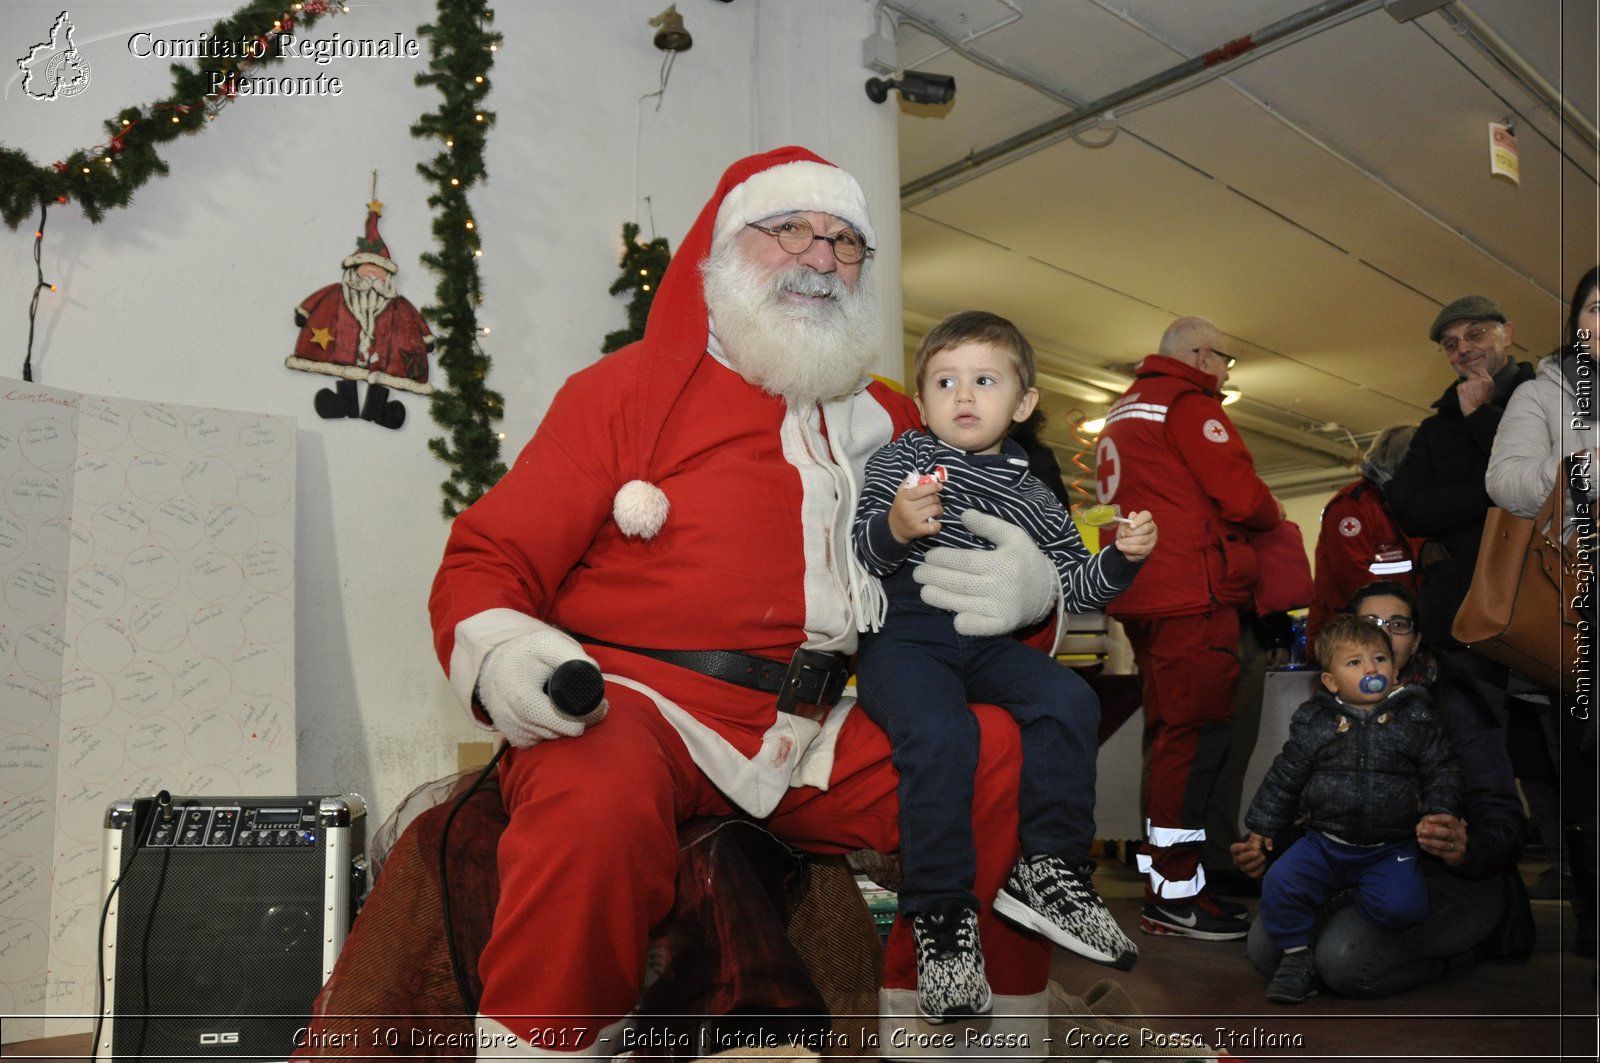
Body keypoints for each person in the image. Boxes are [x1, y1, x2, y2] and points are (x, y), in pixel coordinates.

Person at [429, 146, 1072, 1056]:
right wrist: (509, 657)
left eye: (847, 242)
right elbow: (489, 558)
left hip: (820, 723)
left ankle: (960, 1040)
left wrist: (1029, 590)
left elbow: (997, 541)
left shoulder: (894, 419)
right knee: (591, 789)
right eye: (792, 230)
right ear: (727, 249)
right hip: (645, 706)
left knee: (999, 755)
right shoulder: (619, 395)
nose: (822, 258)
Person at [851, 310, 1156, 1018]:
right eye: (945, 381)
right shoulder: (901, 458)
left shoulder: (1032, 491)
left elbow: (1078, 586)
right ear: (921, 401)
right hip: (907, 632)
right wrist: (896, 526)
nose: (964, 394)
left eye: (984, 380)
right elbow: (864, 553)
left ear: (1021, 404)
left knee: (1069, 700)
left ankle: (1049, 868)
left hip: (986, 640)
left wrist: (1124, 558)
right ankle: (942, 921)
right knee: (942, 733)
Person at [1233, 580, 1530, 998]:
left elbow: (1502, 814)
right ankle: (1341, 923)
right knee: (1267, 950)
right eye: (1369, 622)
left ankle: (1455, 954)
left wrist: (1465, 846)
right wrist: (1264, 842)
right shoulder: (1322, 714)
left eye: (1398, 623)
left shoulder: (1445, 705)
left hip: (1441, 876)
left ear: (1417, 641)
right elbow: (1296, 787)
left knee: (1343, 961)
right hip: (1345, 865)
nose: (1383, 632)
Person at [1094, 315, 1284, 939]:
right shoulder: (1185, 402)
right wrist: (1271, 506)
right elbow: (1241, 497)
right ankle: (1175, 897)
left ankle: (1166, 884)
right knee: (1195, 742)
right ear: (1201, 355)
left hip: (1143, 592)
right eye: (1225, 360)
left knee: (1170, 739)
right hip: (1191, 594)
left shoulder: (1123, 410)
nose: (1227, 373)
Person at [1240, 614, 1463, 1003]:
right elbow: (1285, 777)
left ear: (1395, 671)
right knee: (1279, 884)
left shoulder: (1416, 716)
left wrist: (1440, 809)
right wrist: (1262, 826)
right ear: (1329, 680)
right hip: (1324, 841)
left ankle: (1352, 899)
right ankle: (1298, 956)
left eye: (1379, 659)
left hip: (1389, 847)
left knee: (1403, 907)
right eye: (1355, 662)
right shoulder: (1315, 722)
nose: (1370, 669)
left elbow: (1441, 769)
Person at [1485, 265, 1599, 955]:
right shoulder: (1545, 392)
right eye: (1595, 306)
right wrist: (1583, 467)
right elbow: (1503, 481)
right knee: (1589, 783)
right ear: (1577, 323)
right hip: (1578, 610)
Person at [1387, 295, 1534, 656]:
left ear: (1507, 334)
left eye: (1476, 334)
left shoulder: (1551, 402)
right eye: (1451, 345)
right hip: (1456, 610)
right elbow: (1408, 510)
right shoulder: (1435, 428)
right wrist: (1496, 493)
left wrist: (1481, 415)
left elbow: (1545, 482)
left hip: (1537, 598)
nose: (1464, 349)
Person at [287, 198, 435, 429]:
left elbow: (415, 318)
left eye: (379, 271)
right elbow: (317, 300)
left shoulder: (398, 304)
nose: (373, 275)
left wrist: (426, 339)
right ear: (356, 269)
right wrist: (304, 312)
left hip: (383, 354)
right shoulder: (338, 294)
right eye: (369, 268)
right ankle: (343, 404)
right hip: (344, 347)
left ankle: (379, 411)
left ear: (387, 276)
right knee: (346, 372)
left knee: (384, 375)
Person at [1306, 424, 1422, 655]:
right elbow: (1352, 576)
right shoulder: (1353, 507)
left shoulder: (1407, 505)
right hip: (1352, 635)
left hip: (1397, 631)